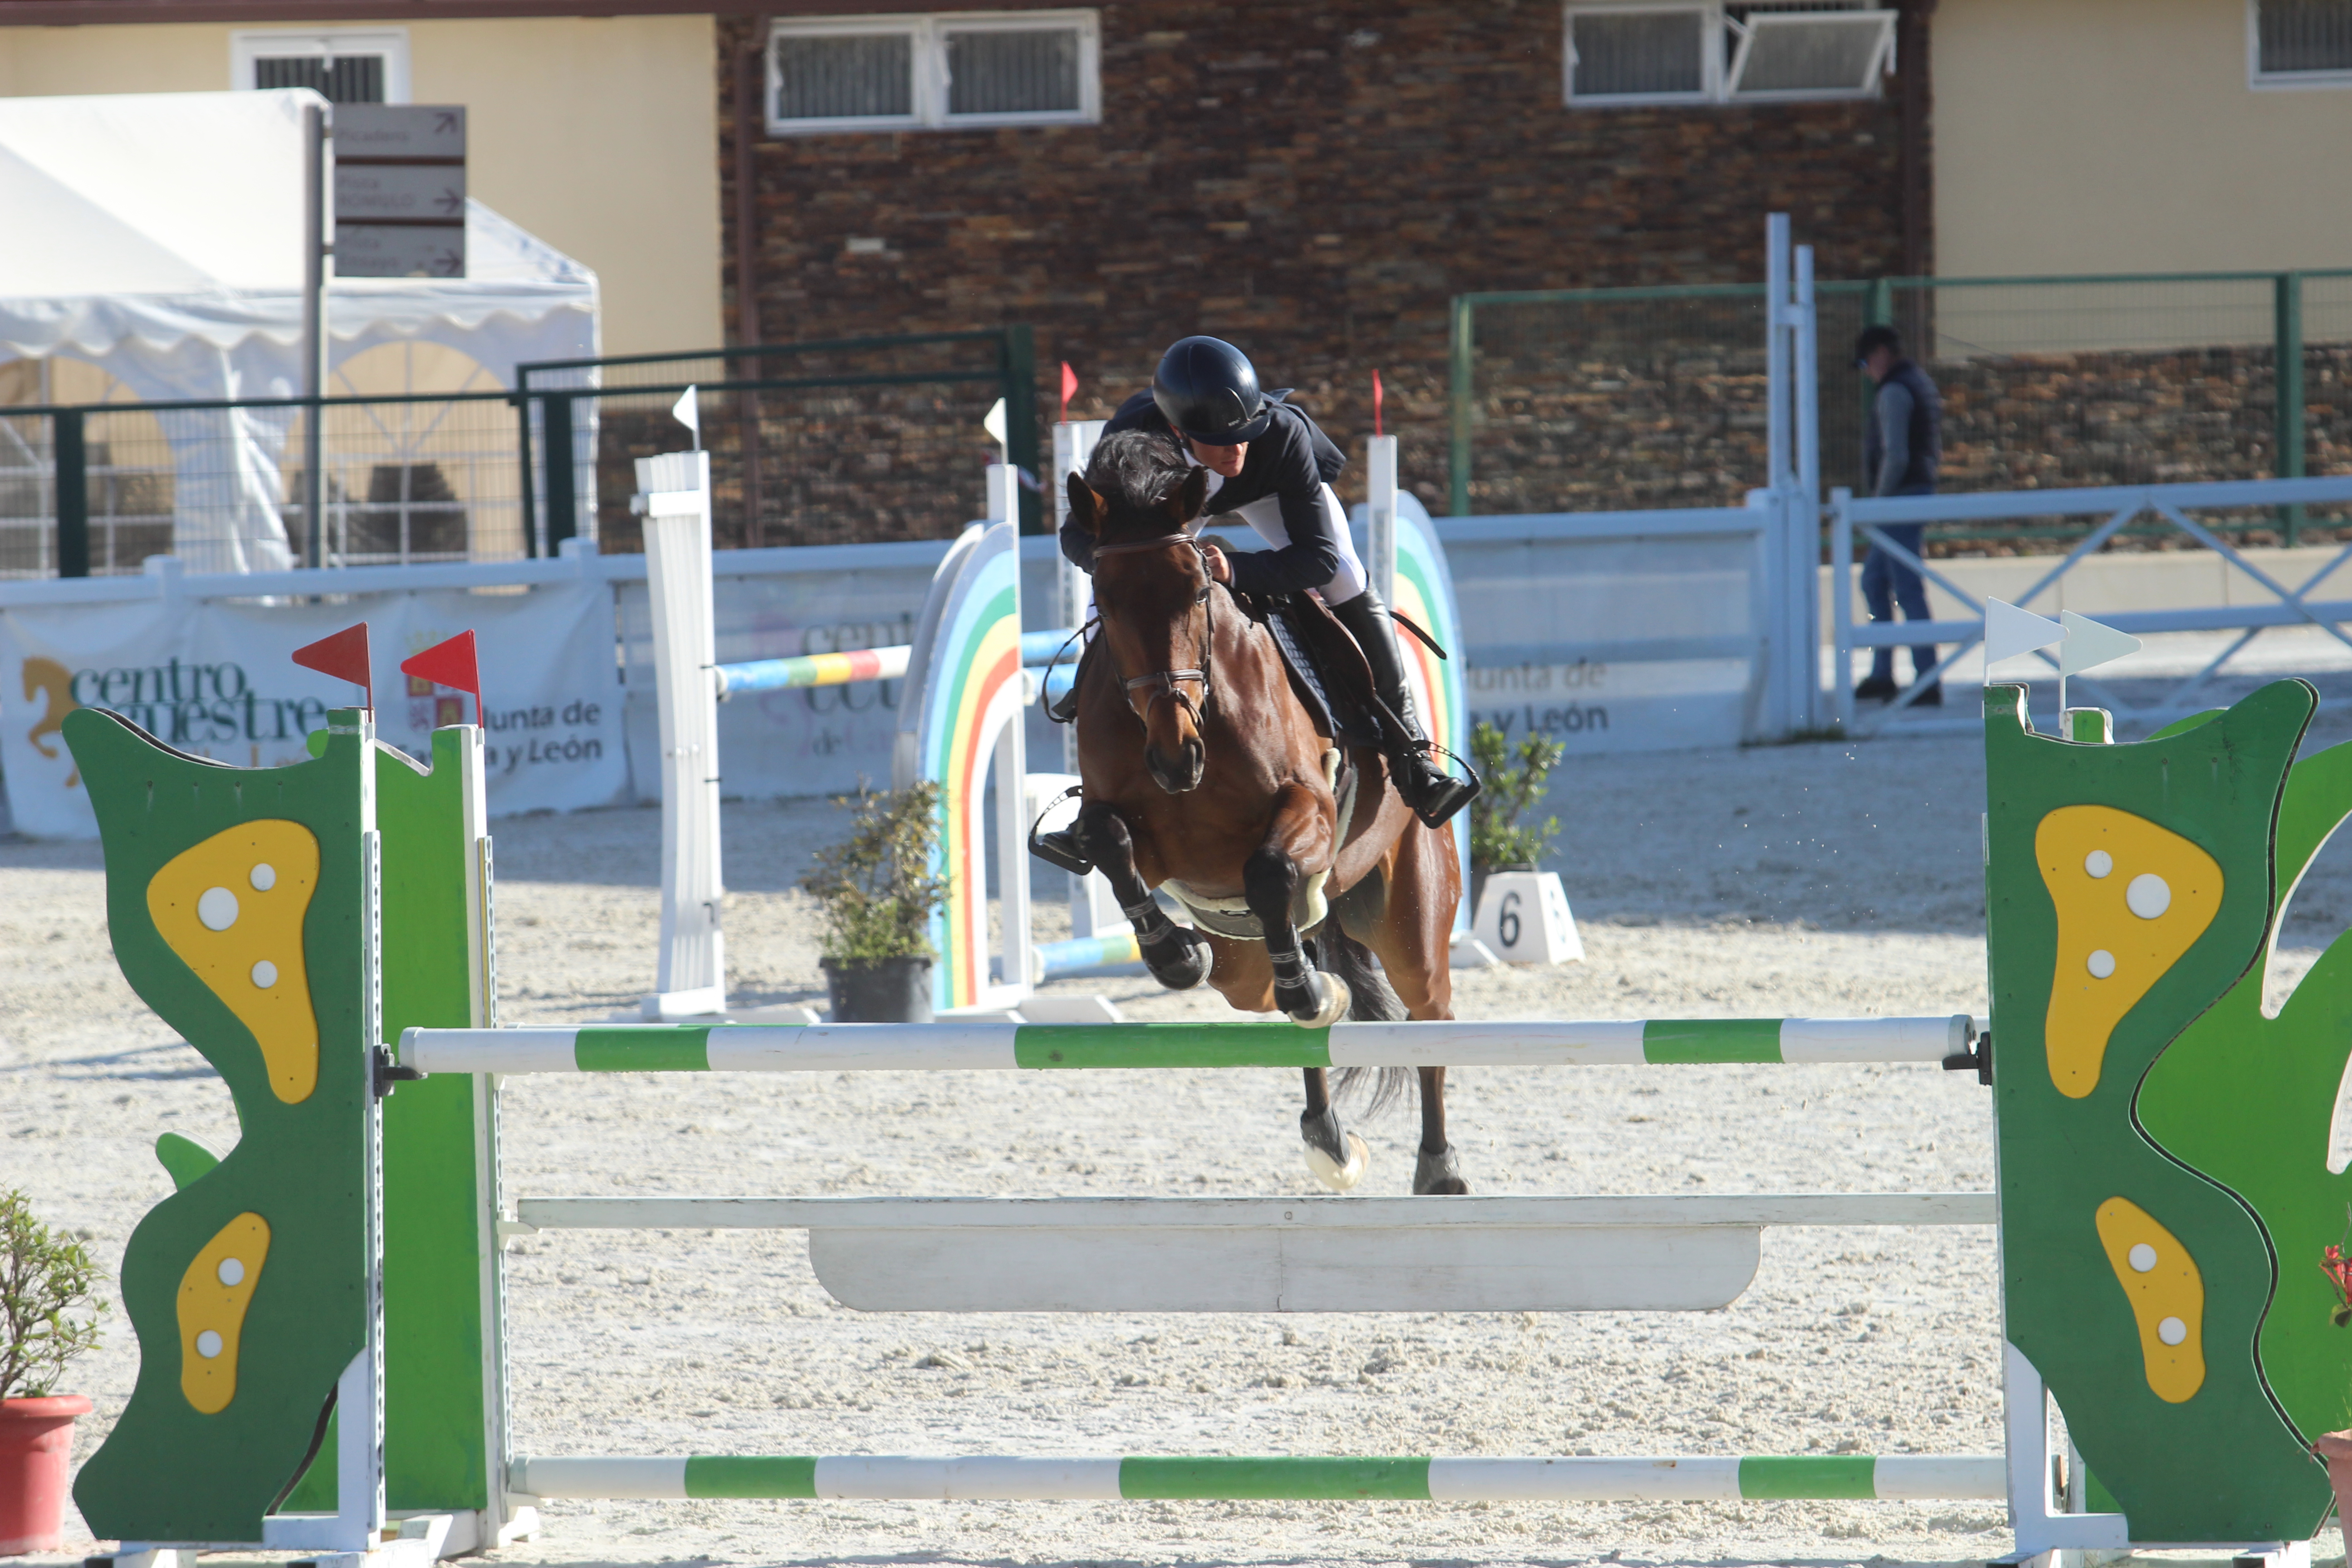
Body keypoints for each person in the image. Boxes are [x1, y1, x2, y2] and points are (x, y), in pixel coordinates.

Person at [1045, 335, 1477, 839]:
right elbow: (1077, 535)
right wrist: (1124, 569)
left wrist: (1236, 570)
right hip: (1171, 505)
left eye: (1245, 432)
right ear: (1177, 431)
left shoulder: (1279, 436)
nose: (1238, 449)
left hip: (1273, 491)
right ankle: (1097, 793)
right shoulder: (1131, 440)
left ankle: (1411, 749)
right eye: (1222, 440)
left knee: (1348, 579)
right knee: (1125, 596)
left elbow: (1318, 559)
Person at [1855, 324, 1944, 706]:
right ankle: (1884, 673)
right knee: (1876, 581)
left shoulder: (1894, 390)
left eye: (1864, 363)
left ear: (1878, 355)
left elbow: (1896, 455)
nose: (1865, 372)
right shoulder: (1917, 381)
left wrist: (1877, 504)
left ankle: (1926, 678)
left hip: (1900, 497)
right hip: (1911, 493)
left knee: (1904, 586)